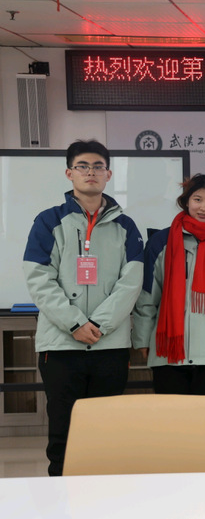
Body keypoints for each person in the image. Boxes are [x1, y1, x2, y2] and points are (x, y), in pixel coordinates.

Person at [23, 139, 144, 476]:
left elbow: (131, 283)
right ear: (69, 173)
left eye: (97, 167)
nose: (90, 172)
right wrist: (75, 323)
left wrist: (100, 325)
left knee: (106, 432)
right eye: (82, 166)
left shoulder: (126, 226)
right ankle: (61, 495)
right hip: (61, 346)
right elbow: (39, 278)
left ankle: (102, 497)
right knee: (63, 431)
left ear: (108, 174)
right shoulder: (48, 221)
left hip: (109, 346)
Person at [132, 174, 205, 395]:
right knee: (172, 415)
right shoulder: (161, 242)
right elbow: (147, 295)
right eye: (198, 199)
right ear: (186, 201)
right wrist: (142, 339)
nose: (204, 207)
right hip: (168, 352)